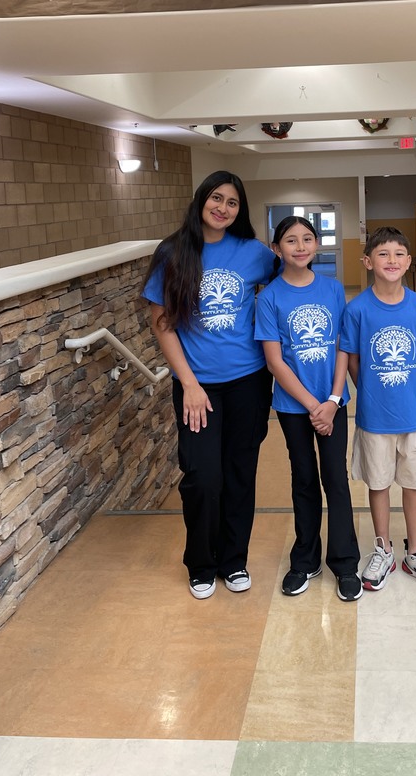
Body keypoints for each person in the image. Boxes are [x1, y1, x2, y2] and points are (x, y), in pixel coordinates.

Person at [142, 171, 275, 600]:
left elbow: (287, 281)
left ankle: (234, 560)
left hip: (249, 383)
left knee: (240, 473)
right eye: (216, 198)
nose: (222, 208)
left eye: (232, 202)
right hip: (197, 386)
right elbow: (161, 322)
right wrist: (189, 383)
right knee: (201, 476)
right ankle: (201, 562)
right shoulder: (174, 252)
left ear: (241, 210)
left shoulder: (254, 253)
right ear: (201, 200)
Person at [255, 216, 362, 602]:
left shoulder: (333, 289)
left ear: (316, 244)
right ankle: (305, 560)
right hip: (293, 407)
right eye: (290, 240)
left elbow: (342, 346)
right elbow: (275, 362)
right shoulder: (268, 298)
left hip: (333, 404)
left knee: (336, 479)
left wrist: (332, 401)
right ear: (277, 249)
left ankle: (345, 563)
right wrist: (312, 405)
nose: (300, 246)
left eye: (307, 239)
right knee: (303, 479)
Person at [339, 226, 416, 593]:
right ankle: (383, 547)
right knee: (379, 482)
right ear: (368, 261)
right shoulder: (357, 309)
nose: (392, 260)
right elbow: (352, 359)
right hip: (374, 415)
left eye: (399, 254)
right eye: (383, 254)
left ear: (409, 261)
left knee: (414, 484)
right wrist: (368, 390)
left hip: (415, 414)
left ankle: (414, 551)